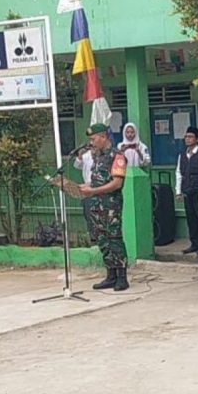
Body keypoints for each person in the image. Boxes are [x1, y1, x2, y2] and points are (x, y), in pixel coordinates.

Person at [79, 123, 130, 291]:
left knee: (114, 238)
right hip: (96, 205)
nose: (92, 143)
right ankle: (110, 274)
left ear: (103, 137)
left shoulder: (118, 156)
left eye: (94, 139)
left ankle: (122, 276)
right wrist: (84, 187)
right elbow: (96, 181)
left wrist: (92, 190)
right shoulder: (97, 158)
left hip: (111, 205)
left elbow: (116, 183)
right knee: (102, 239)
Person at [176, 126, 198, 255]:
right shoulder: (182, 155)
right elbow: (179, 173)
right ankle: (194, 243)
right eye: (186, 136)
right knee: (191, 218)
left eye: (190, 137)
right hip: (188, 191)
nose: (187, 139)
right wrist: (178, 190)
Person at [73, 146, 96, 243]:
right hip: (87, 190)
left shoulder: (106, 156)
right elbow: (77, 165)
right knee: (88, 214)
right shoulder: (87, 155)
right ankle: (92, 237)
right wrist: (79, 156)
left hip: (99, 188)